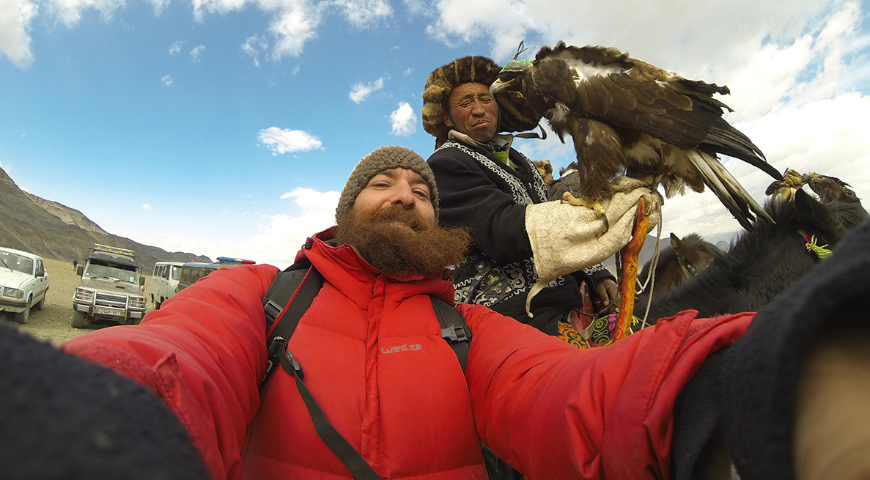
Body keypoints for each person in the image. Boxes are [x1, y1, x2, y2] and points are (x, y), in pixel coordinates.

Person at [45, 146, 870, 480]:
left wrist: (766, 378)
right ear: (344, 210)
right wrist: (82, 425)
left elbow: (580, 395)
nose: (407, 193)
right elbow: (170, 364)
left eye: (423, 192)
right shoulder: (258, 298)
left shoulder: (467, 333)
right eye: (383, 183)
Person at [422, 56, 625, 339]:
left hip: (563, 298)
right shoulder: (446, 164)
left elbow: (548, 213)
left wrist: (595, 273)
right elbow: (503, 229)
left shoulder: (522, 161)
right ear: (447, 117)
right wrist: (602, 216)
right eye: (466, 103)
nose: (479, 109)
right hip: (508, 313)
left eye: (486, 98)